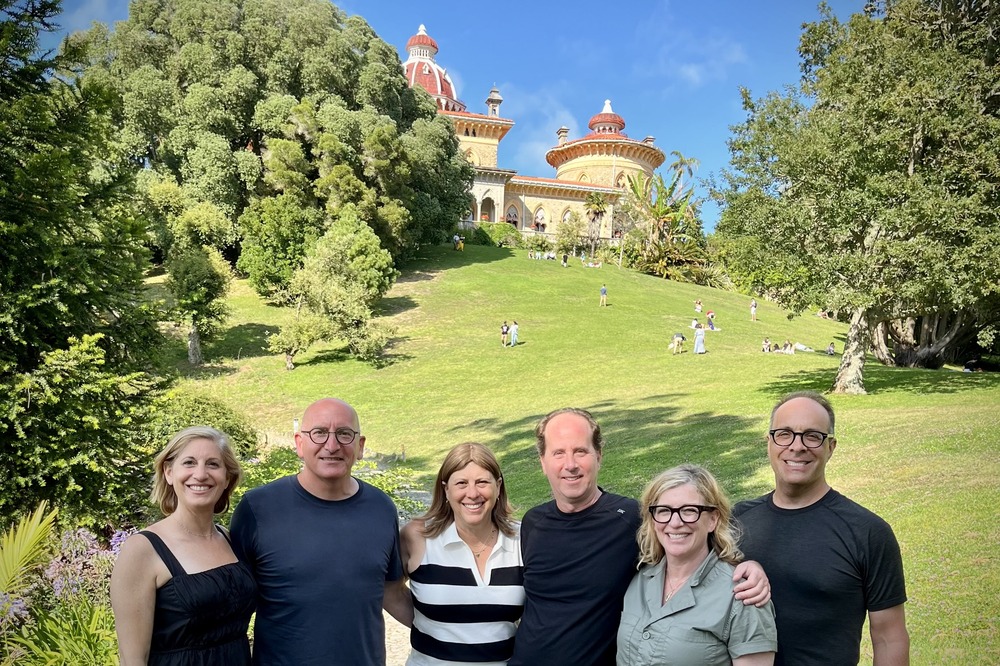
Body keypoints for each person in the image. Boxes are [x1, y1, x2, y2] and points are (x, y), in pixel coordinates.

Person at [508, 408, 770, 666]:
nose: (570, 464)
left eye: (580, 451)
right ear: (542, 462)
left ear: (598, 455)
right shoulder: (533, 522)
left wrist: (749, 566)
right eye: (558, 453)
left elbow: (690, 538)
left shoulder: (631, 519)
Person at [230, 399, 411, 665]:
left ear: (360, 446)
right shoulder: (258, 509)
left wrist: (462, 630)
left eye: (344, 434)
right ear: (299, 444)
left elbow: (392, 592)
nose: (332, 445)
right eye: (319, 433)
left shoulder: (381, 508)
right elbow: (232, 608)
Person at [733, 392, 909, 665]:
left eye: (812, 436)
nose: (797, 446)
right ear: (769, 443)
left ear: (831, 447)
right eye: (784, 434)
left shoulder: (867, 532)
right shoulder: (735, 522)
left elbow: (889, 637)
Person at [111, 426, 255, 665]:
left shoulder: (229, 539)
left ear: (226, 477)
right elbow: (133, 659)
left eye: (213, 464)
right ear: (168, 472)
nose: (200, 474)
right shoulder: (143, 550)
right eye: (189, 462)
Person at [617, 465, 777, 665]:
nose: (675, 523)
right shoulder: (639, 579)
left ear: (713, 519)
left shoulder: (743, 594)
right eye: (664, 511)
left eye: (689, 510)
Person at [401, 443, 524, 665]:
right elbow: (388, 588)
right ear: (446, 490)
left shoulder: (522, 539)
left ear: (498, 486)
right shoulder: (417, 537)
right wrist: (430, 624)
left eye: (482, 482)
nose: (473, 493)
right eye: (461, 483)